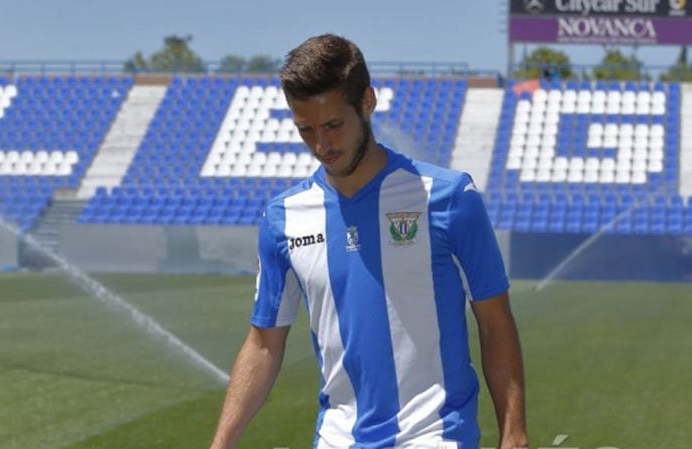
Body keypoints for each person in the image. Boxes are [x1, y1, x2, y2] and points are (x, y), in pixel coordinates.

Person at [210, 34, 528, 449]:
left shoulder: (449, 198)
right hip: (337, 438)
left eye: (333, 125)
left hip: (435, 436)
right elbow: (264, 344)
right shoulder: (282, 219)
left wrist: (514, 433)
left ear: (367, 102)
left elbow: (494, 321)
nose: (321, 145)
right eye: (306, 130)